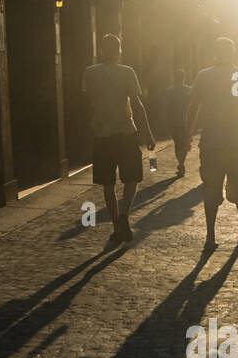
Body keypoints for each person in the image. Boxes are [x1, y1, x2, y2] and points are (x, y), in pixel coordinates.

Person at [185, 36, 238, 251]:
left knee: (211, 187)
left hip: (211, 140)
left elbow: (193, 107)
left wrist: (187, 135)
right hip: (233, 139)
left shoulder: (204, 76)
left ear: (215, 53)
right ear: (232, 53)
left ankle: (211, 236)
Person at [82, 33, 155, 249]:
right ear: (119, 50)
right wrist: (148, 133)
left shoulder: (90, 72)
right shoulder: (127, 72)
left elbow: (86, 104)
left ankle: (116, 225)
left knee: (108, 183)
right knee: (132, 178)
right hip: (126, 133)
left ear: (101, 50)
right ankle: (124, 215)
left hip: (102, 135)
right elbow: (137, 104)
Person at [163, 69, 192, 177]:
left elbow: (166, 108)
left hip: (175, 122)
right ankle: (181, 163)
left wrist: (166, 121)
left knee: (178, 144)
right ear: (183, 78)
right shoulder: (189, 90)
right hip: (187, 122)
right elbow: (193, 106)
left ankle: (181, 163)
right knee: (184, 143)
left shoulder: (169, 91)